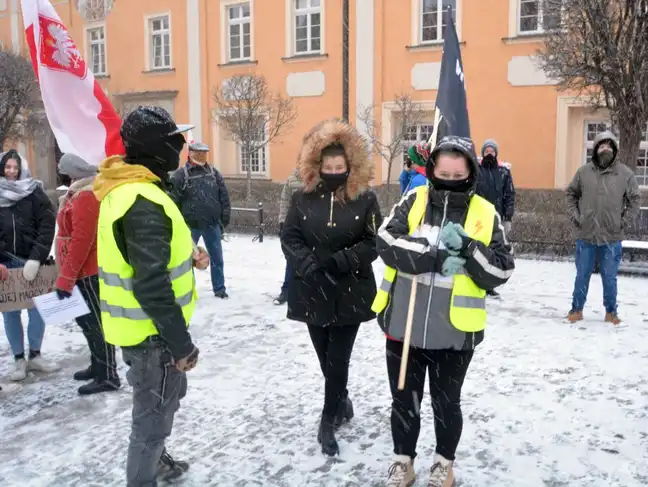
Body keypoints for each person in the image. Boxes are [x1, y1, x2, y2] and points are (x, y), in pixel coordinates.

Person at [373, 136, 514, 487]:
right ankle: (403, 462)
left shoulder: (484, 212)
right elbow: (385, 241)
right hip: (404, 326)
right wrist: (430, 256)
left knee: (447, 405)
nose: (449, 177)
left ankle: (443, 465)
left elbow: (501, 269)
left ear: (470, 171)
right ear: (433, 169)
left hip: (455, 332)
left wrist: (468, 249)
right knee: (404, 400)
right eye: (443, 171)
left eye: (457, 171)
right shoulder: (414, 199)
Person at [93, 106, 209, 486]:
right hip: (153, 337)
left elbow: (148, 259)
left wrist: (190, 258)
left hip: (146, 334)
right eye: (176, 141)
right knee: (151, 424)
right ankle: (143, 475)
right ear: (157, 148)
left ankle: (156, 463)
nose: (181, 148)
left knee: (162, 406)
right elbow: (151, 284)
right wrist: (181, 345)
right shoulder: (141, 199)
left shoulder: (134, 188)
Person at [281, 118, 382, 456]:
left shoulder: (365, 200)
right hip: (311, 288)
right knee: (325, 357)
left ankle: (328, 420)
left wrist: (344, 260)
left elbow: (373, 242)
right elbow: (290, 236)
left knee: (338, 359)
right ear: (318, 166)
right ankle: (342, 400)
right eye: (329, 166)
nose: (334, 171)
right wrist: (306, 263)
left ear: (350, 166)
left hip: (349, 290)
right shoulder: (302, 198)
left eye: (340, 166)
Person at [55, 153, 120, 395]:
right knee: (87, 321)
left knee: (95, 323)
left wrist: (67, 277)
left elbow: (82, 240)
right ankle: (98, 365)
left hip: (88, 271)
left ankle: (108, 374)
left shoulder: (86, 195)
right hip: (79, 270)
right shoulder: (78, 192)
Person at [565, 130, 640, 325]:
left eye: (608, 145)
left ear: (614, 149)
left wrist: (622, 222)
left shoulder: (625, 174)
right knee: (582, 276)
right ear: (596, 149)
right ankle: (576, 309)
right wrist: (577, 217)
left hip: (612, 237)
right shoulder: (584, 172)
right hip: (586, 234)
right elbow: (571, 195)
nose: (604, 148)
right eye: (601, 145)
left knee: (610, 278)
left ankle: (611, 312)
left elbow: (634, 201)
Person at [0, 149, 59, 381]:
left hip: (32, 262)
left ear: (22, 168)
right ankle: (18, 360)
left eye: (15, 167)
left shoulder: (34, 192)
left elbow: (46, 224)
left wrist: (37, 257)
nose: (12, 172)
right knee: (10, 314)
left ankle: (35, 354)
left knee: (38, 310)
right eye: (8, 167)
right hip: (6, 263)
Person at [171, 142, 231, 298]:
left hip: (212, 224)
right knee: (187, 261)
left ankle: (219, 289)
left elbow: (224, 196)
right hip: (190, 226)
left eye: (204, 153)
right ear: (190, 154)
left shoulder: (214, 173)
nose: (201, 156)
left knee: (217, 258)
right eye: (198, 153)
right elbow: (173, 201)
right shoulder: (180, 175)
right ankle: (187, 289)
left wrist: (224, 219)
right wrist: (178, 224)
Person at [476, 139, 516, 298]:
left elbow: (509, 193)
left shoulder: (504, 172)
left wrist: (508, 215)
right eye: (487, 151)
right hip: (479, 217)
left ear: (496, 153)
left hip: (496, 218)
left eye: (492, 151)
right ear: (483, 153)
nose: (489, 154)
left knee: (494, 252)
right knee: (479, 250)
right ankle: (477, 280)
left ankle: (489, 284)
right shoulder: (477, 170)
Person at [274, 167, 303, 305]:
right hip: (294, 227)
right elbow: (285, 202)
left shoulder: (319, 178)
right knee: (291, 260)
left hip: (313, 227)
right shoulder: (292, 180)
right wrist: (282, 223)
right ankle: (286, 291)